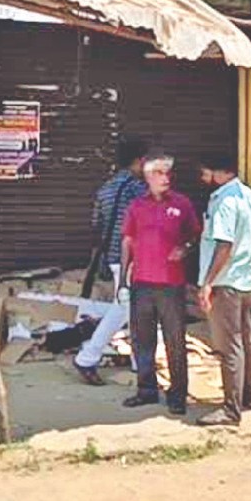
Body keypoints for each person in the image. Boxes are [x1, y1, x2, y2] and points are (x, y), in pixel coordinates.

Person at [120, 152, 199, 416]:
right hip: (141, 282)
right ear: (148, 177)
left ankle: (177, 394)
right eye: (159, 173)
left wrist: (185, 249)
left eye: (168, 173)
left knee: (175, 340)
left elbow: (195, 235)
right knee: (142, 340)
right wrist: (122, 279)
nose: (165, 178)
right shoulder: (136, 207)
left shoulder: (182, 204)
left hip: (171, 284)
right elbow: (127, 242)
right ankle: (146, 390)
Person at [73, 138, 148, 386]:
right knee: (124, 308)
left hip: (114, 256)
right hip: (132, 257)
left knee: (134, 309)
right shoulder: (137, 188)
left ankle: (140, 362)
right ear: (140, 161)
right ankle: (87, 357)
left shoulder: (106, 188)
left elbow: (97, 224)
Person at [196, 152, 251, 427]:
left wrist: (208, 282)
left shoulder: (223, 201)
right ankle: (250, 394)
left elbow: (224, 246)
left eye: (204, 173)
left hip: (226, 284)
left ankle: (230, 409)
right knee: (244, 340)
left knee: (228, 346)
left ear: (215, 172)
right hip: (246, 280)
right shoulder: (249, 196)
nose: (202, 178)